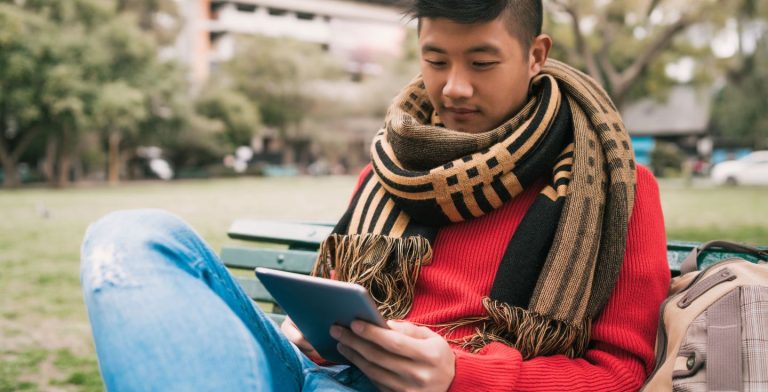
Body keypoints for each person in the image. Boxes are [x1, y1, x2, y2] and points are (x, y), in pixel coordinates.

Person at [80, 0, 670, 390]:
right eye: (435, 60)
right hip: (318, 371)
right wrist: (308, 331)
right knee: (133, 235)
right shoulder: (392, 167)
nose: (454, 87)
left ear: (536, 55)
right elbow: (335, 299)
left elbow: (619, 373)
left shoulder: (617, 192)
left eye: (482, 63)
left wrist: (459, 376)